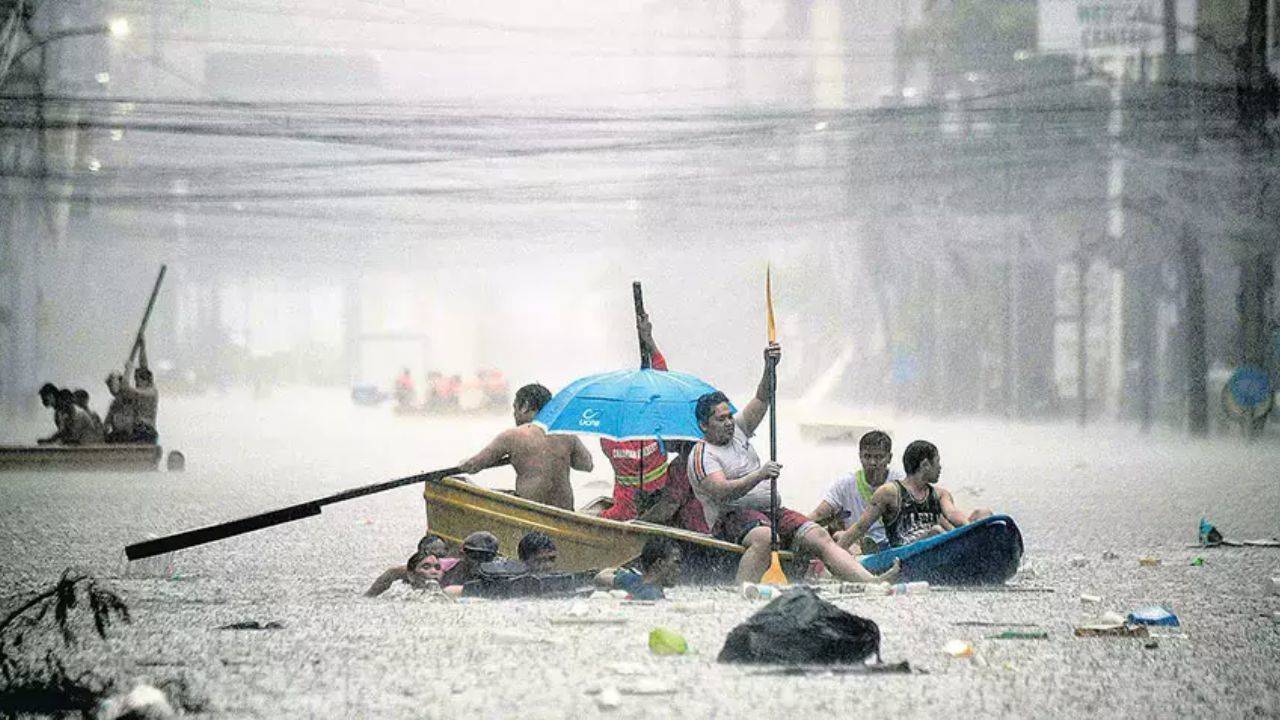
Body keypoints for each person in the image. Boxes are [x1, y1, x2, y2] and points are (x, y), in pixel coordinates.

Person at [686, 343, 899, 585]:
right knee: (765, 537)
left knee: (819, 535)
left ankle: (871, 582)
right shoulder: (702, 454)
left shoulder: (739, 430)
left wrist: (770, 366)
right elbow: (721, 491)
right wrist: (759, 475)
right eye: (720, 419)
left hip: (772, 512)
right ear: (704, 425)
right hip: (731, 518)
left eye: (729, 417)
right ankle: (741, 592)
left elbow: (762, 398)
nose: (728, 423)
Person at [596, 314, 708, 533]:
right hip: (627, 511)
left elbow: (661, 381)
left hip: (652, 510)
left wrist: (648, 339)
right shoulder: (622, 436)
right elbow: (661, 382)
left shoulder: (613, 433)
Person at [835, 440, 993, 550]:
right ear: (925, 465)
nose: (940, 467)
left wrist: (973, 532)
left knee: (983, 513)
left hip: (939, 542)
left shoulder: (940, 494)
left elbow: (952, 513)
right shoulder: (889, 492)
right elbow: (861, 527)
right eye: (937, 462)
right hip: (905, 551)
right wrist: (834, 555)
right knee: (936, 531)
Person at [457, 383, 593, 510]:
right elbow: (587, 465)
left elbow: (473, 466)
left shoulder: (512, 436)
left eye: (515, 408)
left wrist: (463, 464)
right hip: (565, 513)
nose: (514, 415)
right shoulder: (565, 433)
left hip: (531, 512)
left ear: (525, 406)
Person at [808, 430, 901, 554]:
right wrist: (795, 527)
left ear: (889, 458)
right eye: (867, 456)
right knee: (839, 535)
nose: (873, 463)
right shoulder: (845, 484)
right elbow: (819, 514)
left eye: (879, 457)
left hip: (893, 545)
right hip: (854, 543)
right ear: (860, 457)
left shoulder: (900, 483)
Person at [595, 537, 682, 600]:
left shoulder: (632, 580)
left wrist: (620, 571)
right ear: (659, 563)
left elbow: (600, 577)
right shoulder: (653, 596)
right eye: (676, 563)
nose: (679, 570)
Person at [113, 338, 159, 444]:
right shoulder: (143, 387)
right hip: (136, 429)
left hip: (147, 431)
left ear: (147, 381)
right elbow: (144, 366)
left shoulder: (151, 392)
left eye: (138, 381)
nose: (137, 384)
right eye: (136, 381)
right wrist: (142, 347)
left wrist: (128, 369)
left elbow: (125, 388)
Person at [364, 549, 446, 597]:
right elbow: (393, 572)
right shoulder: (401, 597)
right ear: (411, 575)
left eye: (437, 567)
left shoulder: (450, 590)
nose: (434, 571)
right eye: (426, 567)